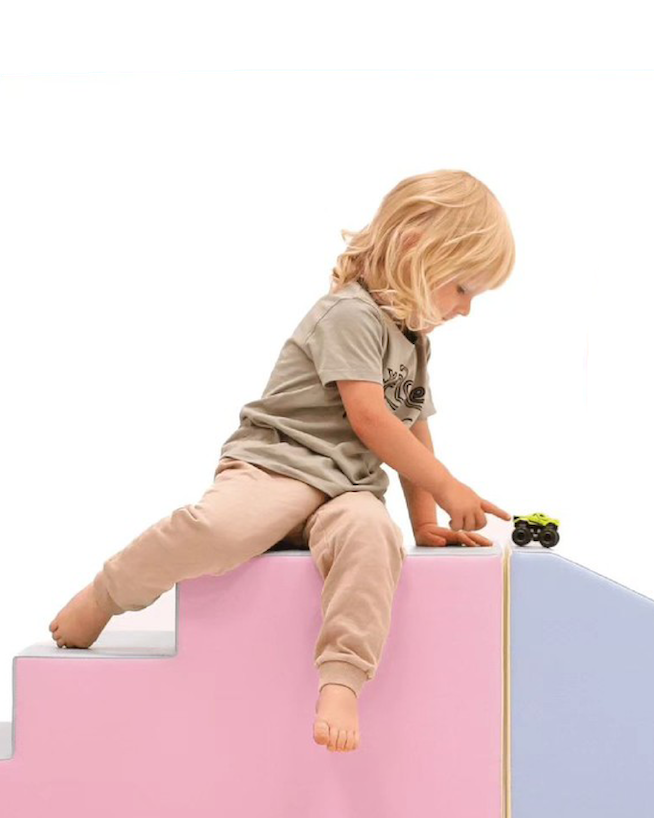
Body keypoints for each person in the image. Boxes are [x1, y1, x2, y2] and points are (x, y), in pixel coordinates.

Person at [47, 169, 515, 754]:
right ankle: (108, 593)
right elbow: (371, 418)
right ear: (415, 249)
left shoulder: (414, 342)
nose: (466, 310)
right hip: (281, 466)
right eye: (462, 288)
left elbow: (414, 430)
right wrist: (448, 487)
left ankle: (342, 677)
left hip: (345, 492)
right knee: (219, 530)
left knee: (375, 536)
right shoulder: (350, 314)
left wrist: (423, 521)